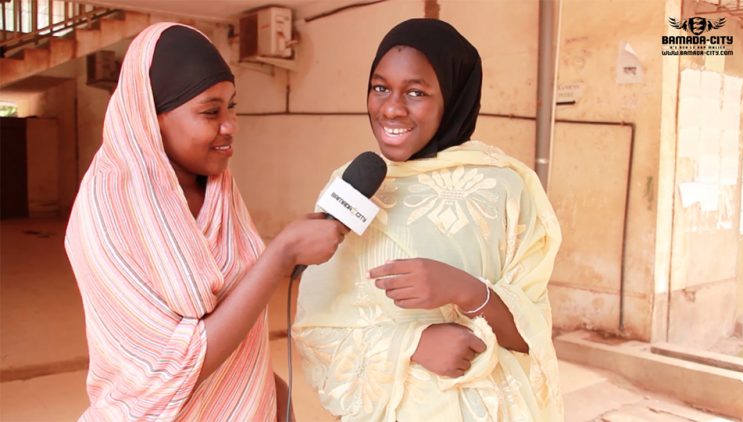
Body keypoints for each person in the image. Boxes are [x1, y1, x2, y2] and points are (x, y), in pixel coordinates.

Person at [64, 22, 347, 421]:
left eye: (232, 106)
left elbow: (239, 316)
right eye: (210, 111)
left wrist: (270, 394)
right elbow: (170, 369)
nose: (230, 125)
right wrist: (280, 256)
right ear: (151, 118)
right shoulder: (108, 209)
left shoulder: (218, 189)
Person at [293, 18, 563, 421]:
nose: (391, 108)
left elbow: (532, 338)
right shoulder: (352, 184)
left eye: (415, 92)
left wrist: (468, 291)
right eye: (380, 87)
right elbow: (315, 329)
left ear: (454, 97)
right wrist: (413, 344)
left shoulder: (505, 189)